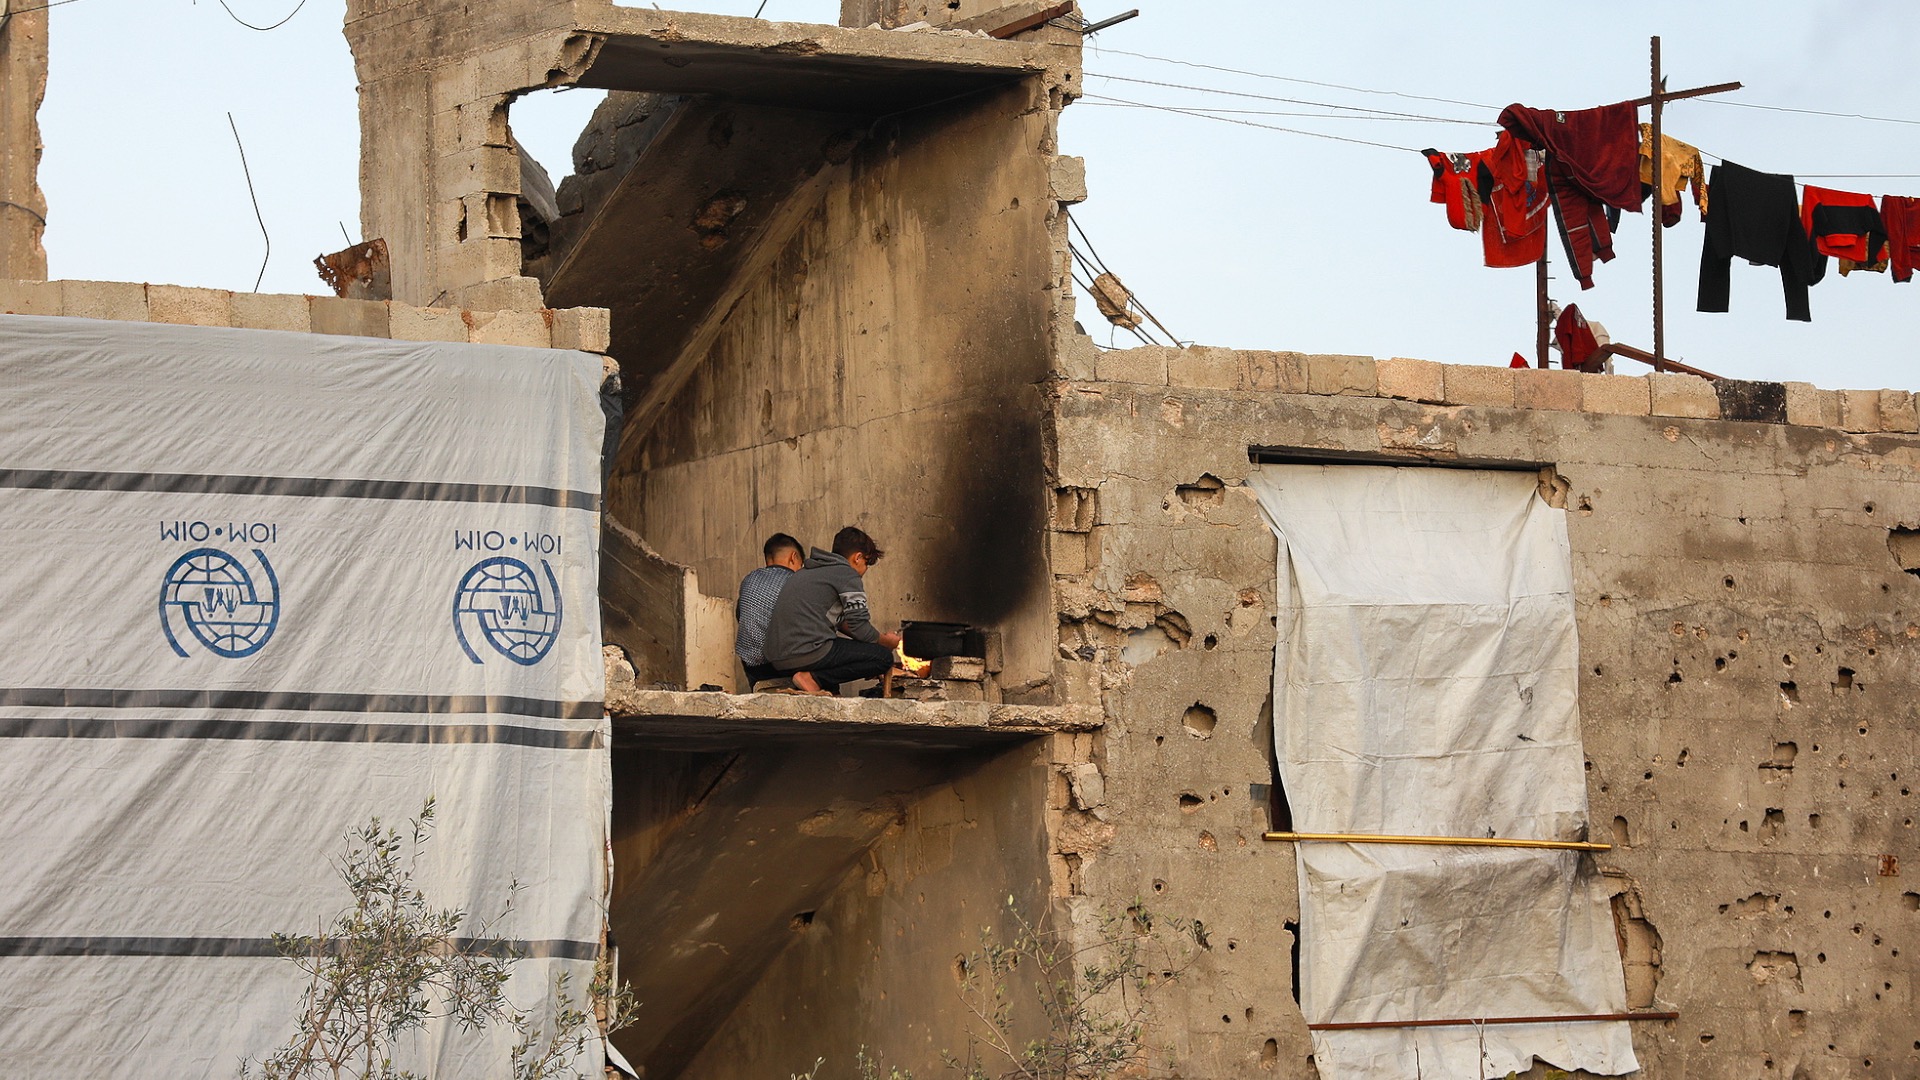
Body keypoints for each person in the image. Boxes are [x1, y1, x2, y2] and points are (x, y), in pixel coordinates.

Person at [763, 525, 902, 696]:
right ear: (858, 558)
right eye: (866, 563)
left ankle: (816, 679)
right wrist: (885, 642)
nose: (865, 570)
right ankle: (813, 678)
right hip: (806, 652)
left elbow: (845, 624)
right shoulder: (846, 574)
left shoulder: (808, 571)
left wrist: (874, 637)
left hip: (778, 659)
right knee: (882, 658)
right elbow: (859, 626)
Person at [735, 532, 804, 690]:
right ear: (793, 557)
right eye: (801, 564)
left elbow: (741, 615)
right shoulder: (793, 580)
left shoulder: (749, 580)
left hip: (753, 668)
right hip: (784, 665)